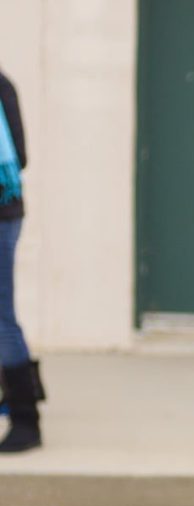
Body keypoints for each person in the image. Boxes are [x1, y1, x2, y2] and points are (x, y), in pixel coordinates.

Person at [0, 66, 44, 453]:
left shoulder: (1, 84)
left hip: (2, 213)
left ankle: (26, 420)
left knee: (2, 317)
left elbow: (20, 157)